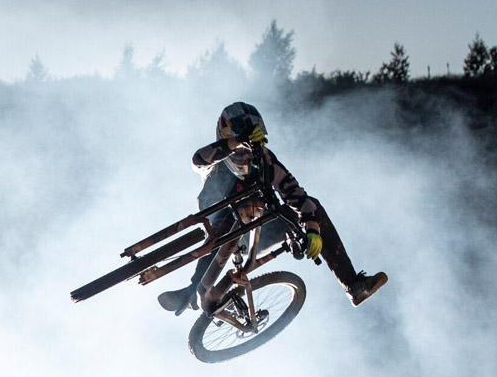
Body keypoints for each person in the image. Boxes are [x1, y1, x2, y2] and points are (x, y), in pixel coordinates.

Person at [158, 102, 388, 314]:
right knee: (225, 217)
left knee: (312, 207)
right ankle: (192, 290)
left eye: (248, 152)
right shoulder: (214, 164)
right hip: (218, 232)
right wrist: (236, 143)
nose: (244, 159)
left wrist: (312, 228)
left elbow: (295, 194)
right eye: (239, 152)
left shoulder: (265, 160)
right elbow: (199, 159)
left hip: (256, 231)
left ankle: (353, 285)